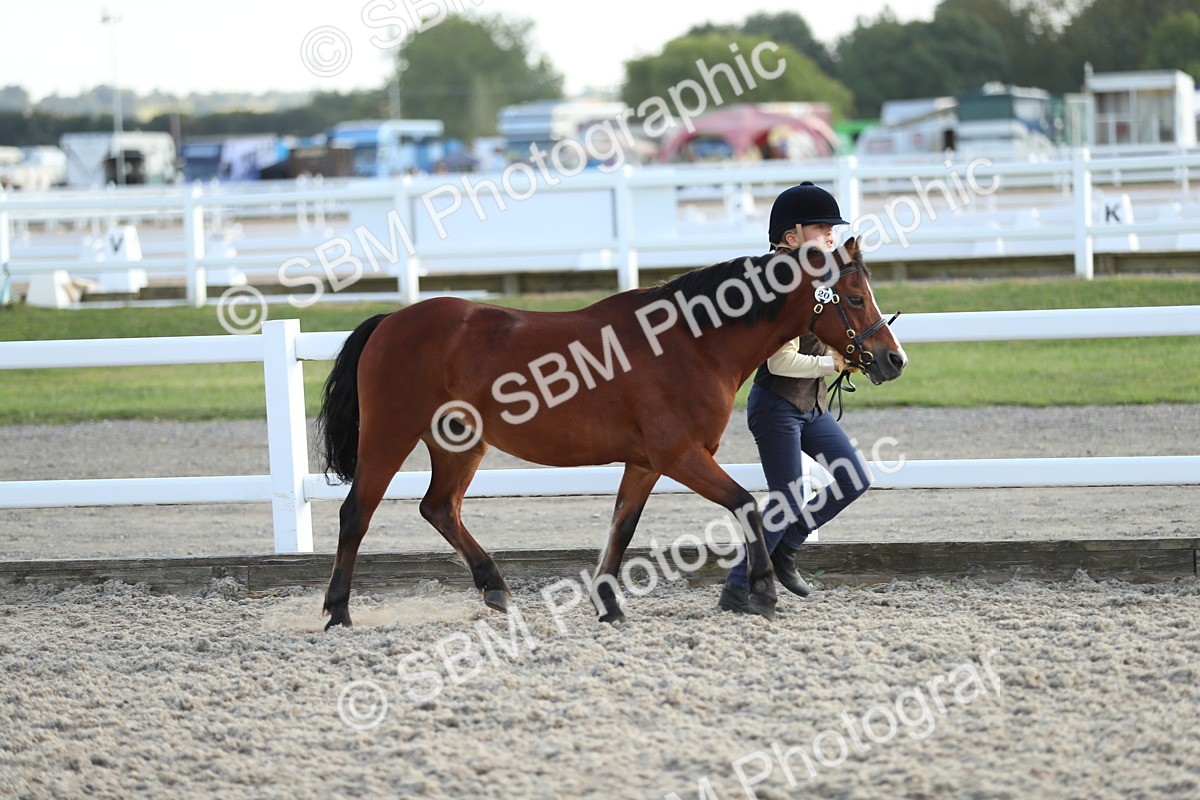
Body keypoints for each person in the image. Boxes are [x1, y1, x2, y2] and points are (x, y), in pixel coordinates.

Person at [719, 181, 874, 613]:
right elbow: (779, 363)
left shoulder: (816, 278)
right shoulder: (775, 285)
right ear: (791, 238)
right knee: (786, 497)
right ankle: (736, 586)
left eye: (833, 229)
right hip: (777, 406)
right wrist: (834, 364)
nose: (830, 236)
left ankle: (785, 549)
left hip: (810, 404)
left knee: (853, 479)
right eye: (822, 228)